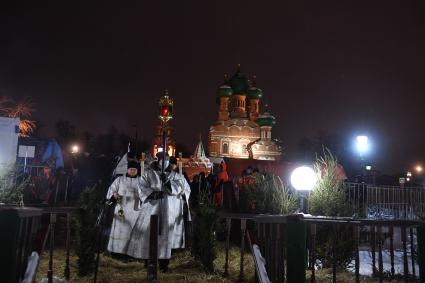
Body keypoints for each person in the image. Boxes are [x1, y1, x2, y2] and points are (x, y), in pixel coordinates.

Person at [127, 152, 190, 272]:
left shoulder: (176, 176)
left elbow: (184, 188)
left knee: (166, 236)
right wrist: (152, 194)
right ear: (158, 160)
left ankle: (163, 264)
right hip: (151, 209)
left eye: (166, 159)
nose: (164, 161)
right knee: (148, 234)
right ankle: (148, 262)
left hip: (168, 211)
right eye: (162, 159)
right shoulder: (149, 174)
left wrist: (168, 183)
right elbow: (141, 187)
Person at [106, 160, 141, 257]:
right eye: (131, 169)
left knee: (133, 230)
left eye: (135, 169)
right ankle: (117, 252)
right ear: (127, 170)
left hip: (135, 211)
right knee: (120, 229)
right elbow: (112, 189)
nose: (133, 171)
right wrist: (114, 194)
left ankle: (132, 253)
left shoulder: (141, 180)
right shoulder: (119, 180)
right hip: (121, 209)